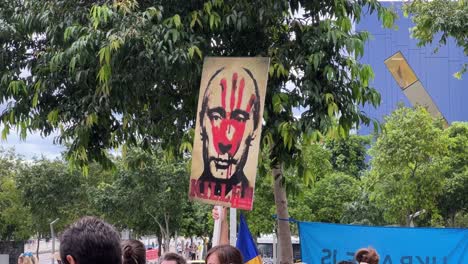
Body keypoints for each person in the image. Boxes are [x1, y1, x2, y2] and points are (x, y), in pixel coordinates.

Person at [194, 67, 262, 202]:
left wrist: (224, 214)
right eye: (216, 117)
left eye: (240, 119)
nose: (225, 143)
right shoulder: (196, 191)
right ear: (201, 122)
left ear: (254, 129)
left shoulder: (245, 192)